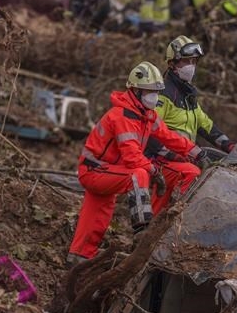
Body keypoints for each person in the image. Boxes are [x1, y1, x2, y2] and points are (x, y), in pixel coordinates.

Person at [67, 61, 206, 264]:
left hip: (108, 170)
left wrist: (197, 153)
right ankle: (142, 230)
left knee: (95, 220)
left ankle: (78, 259)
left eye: (156, 92)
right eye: (149, 91)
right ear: (135, 91)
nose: (154, 97)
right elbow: (132, 157)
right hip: (95, 171)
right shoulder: (122, 116)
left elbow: (169, 137)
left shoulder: (146, 115)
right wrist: (154, 171)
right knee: (138, 174)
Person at [155, 36, 235, 154]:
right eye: (186, 61)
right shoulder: (164, 94)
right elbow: (151, 130)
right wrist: (170, 155)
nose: (191, 66)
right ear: (172, 64)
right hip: (168, 159)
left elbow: (204, 124)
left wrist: (228, 145)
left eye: (194, 61)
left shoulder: (187, 94)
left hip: (188, 155)